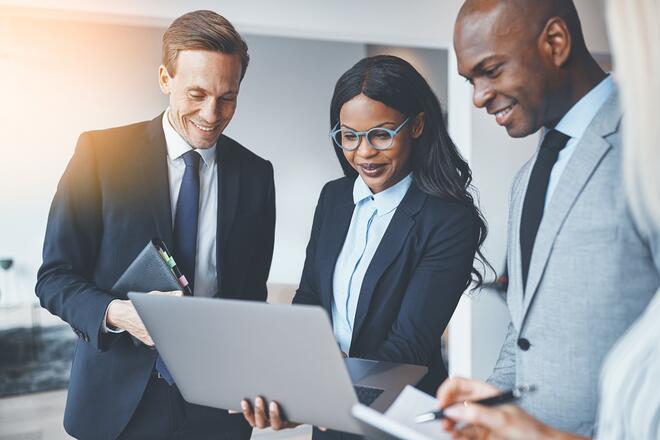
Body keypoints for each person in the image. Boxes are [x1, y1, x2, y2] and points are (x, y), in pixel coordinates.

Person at [35, 10, 275, 440]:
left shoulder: (256, 175)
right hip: (116, 403)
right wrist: (120, 314)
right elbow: (54, 278)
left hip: (218, 407)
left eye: (228, 97)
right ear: (165, 78)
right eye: (197, 93)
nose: (211, 113)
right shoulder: (101, 155)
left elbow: (250, 295)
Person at [436, 0, 660, 439]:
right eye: (471, 81)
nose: (479, 97)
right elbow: (524, 328)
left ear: (555, 42)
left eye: (492, 70)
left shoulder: (646, 146)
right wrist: (489, 407)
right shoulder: (526, 180)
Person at [241, 54, 489, 439]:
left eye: (382, 134)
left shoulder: (449, 220)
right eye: (349, 136)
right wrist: (296, 381)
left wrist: (322, 397)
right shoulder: (334, 198)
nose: (363, 153)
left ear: (417, 125)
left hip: (398, 418)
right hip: (331, 419)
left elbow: (409, 345)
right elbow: (310, 297)